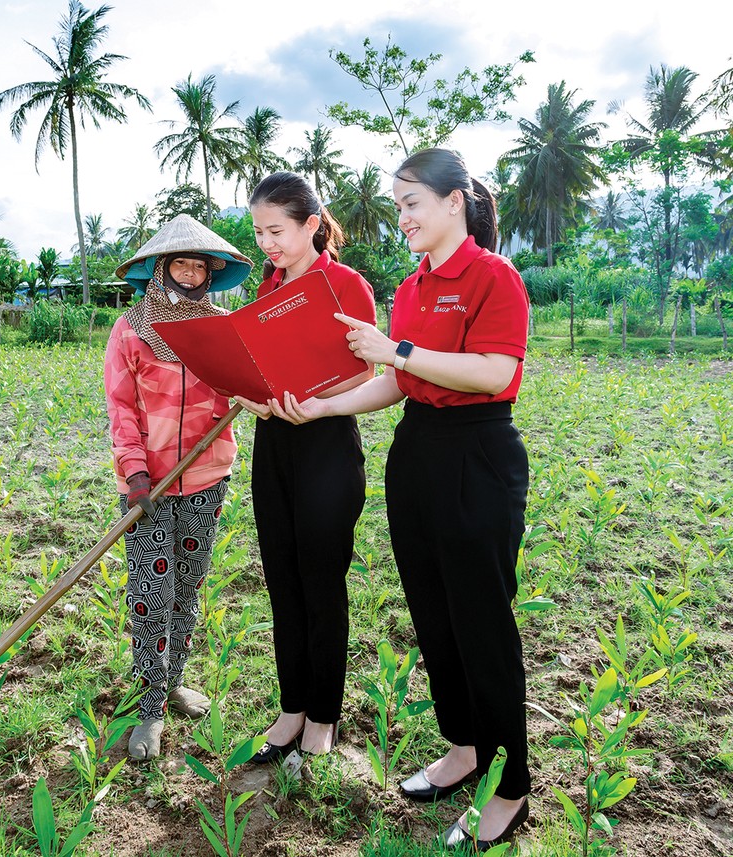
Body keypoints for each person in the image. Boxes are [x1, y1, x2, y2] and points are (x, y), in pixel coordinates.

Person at [270, 148, 531, 850]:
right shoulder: (414, 286)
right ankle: (464, 747)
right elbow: (396, 379)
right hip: (416, 452)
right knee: (433, 613)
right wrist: (324, 410)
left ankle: (509, 785)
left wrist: (399, 352)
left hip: (477, 452)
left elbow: (495, 371)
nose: (402, 217)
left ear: (455, 202)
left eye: (411, 202)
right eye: (397, 205)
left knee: (481, 620)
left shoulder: (492, 276)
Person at [232, 172, 377, 763]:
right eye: (260, 232)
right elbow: (255, 361)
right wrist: (248, 392)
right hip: (274, 446)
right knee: (281, 581)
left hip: (324, 446)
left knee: (321, 583)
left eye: (277, 231)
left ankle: (323, 714)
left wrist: (311, 403)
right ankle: (292, 707)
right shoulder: (266, 289)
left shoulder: (345, 285)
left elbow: (366, 372)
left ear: (312, 225)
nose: (267, 243)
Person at [105, 214, 251, 760]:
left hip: (208, 476)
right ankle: (149, 709)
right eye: (180, 263)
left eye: (199, 266)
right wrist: (135, 471)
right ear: (160, 268)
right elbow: (121, 406)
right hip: (150, 485)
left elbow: (242, 384)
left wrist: (247, 390)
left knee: (187, 588)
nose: (190, 274)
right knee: (151, 593)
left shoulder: (220, 325)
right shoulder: (131, 329)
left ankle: (172, 684)